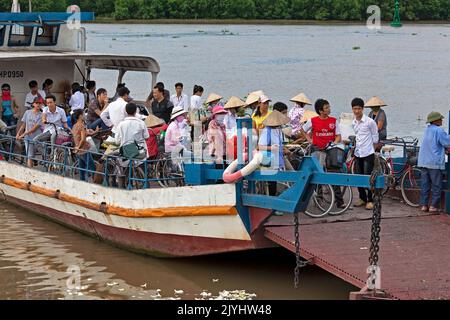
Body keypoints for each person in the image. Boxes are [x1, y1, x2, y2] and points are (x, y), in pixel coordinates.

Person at [301, 99, 344, 208]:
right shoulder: (313, 121)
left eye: (329, 107)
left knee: (334, 173)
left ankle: (339, 201)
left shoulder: (334, 121)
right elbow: (302, 130)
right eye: (326, 108)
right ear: (320, 111)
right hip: (317, 150)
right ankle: (319, 199)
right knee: (318, 174)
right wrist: (309, 139)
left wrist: (334, 143)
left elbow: (338, 136)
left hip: (330, 151)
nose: (329, 109)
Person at [418, 112, 450, 213]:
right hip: (434, 162)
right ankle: (433, 206)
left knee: (425, 184)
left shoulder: (427, 129)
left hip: (423, 161)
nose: (442, 120)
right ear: (436, 120)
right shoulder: (439, 130)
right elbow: (447, 142)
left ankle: (424, 205)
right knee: (436, 185)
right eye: (440, 119)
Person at [351, 98, 379, 210]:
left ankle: (370, 199)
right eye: (354, 108)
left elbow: (375, 137)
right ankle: (362, 198)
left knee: (368, 177)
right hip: (358, 153)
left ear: (362, 109)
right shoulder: (353, 122)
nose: (356, 111)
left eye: (358, 108)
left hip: (368, 153)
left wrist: (372, 149)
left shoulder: (370, 122)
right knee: (359, 176)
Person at [258, 110, 290, 195]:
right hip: (268, 160)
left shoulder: (278, 131)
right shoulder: (266, 131)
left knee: (275, 184)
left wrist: (284, 149)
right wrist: (271, 148)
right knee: (270, 186)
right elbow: (260, 147)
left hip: (277, 159)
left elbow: (279, 144)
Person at [16, 97, 43, 167]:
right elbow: (23, 124)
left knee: (41, 154)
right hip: (28, 138)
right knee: (29, 156)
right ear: (33, 104)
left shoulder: (42, 115)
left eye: (40, 103)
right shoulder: (27, 112)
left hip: (38, 138)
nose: (38, 105)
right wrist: (18, 133)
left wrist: (23, 134)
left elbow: (34, 128)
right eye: (37, 103)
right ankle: (30, 172)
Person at [71, 110, 97, 181]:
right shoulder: (82, 125)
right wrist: (79, 148)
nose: (85, 115)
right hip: (83, 150)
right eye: (83, 114)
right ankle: (96, 184)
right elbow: (83, 139)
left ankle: (82, 184)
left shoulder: (74, 125)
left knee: (82, 170)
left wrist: (95, 132)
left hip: (79, 151)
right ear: (80, 116)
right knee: (93, 168)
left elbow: (80, 136)